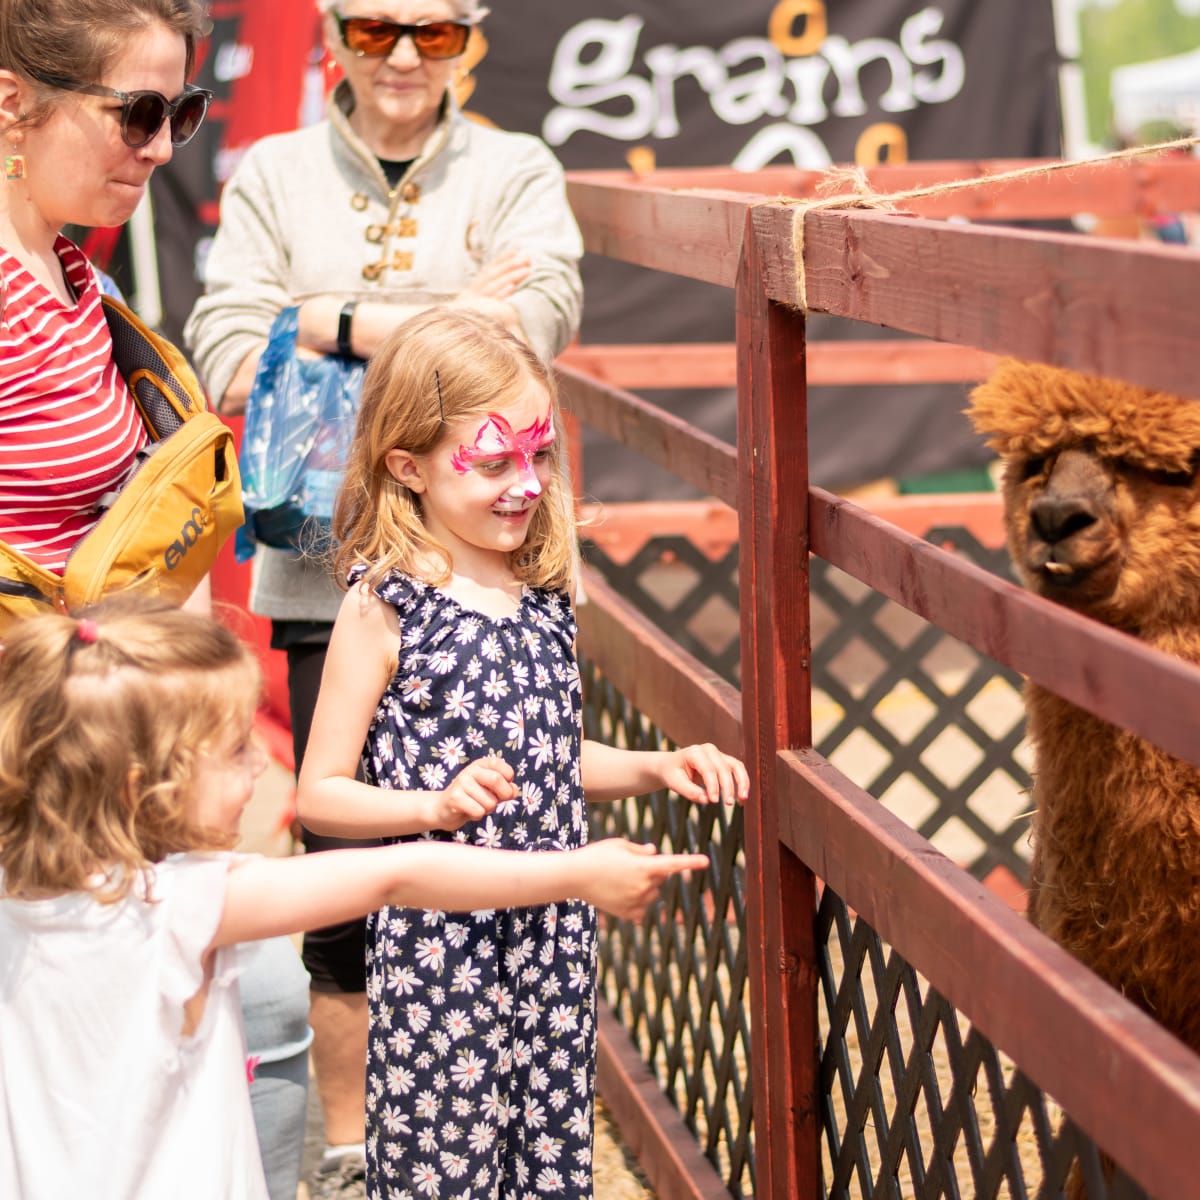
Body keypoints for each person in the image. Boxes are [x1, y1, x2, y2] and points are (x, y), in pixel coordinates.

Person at [184, 2, 584, 1187]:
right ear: (331, 36)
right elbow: (225, 342)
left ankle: (500, 1123)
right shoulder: (276, 172)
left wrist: (324, 322)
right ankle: (357, 1148)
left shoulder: (515, 168)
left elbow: (540, 324)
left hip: (487, 570)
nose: (402, 57)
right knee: (343, 868)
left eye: (434, 33)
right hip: (323, 566)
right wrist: (441, 317)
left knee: (513, 832)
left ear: (473, 39)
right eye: (372, 28)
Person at [0, 599, 708, 1200]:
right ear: (137, 788)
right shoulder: (178, 905)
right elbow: (394, 877)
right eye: (234, 751)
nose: (259, 765)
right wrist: (577, 875)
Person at [296, 308, 749, 1199]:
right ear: (407, 466)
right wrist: (430, 808)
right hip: (442, 952)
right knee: (449, 1171)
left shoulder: (542, 591)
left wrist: (655, 766)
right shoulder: (386, 608)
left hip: (550, 938)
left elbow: (549, 758)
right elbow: (320, 794)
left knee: (546, 1161)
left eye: (538, 457)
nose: (525, 484)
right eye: (494, 462)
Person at [0, 4, 312, 1197]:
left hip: (101, 755)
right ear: (13, 104)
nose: (161, 146)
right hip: (42, 772)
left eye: (180, 113)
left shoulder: (67, 261)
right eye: (136, 114)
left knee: (238, 1021)